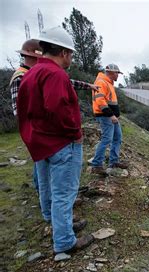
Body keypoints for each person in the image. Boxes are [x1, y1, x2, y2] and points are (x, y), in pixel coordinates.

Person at [16, 26, 94, 254]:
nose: (70, 58)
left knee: (48, 188)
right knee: (65, 192)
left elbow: (25, 111)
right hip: (61, 143)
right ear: (64, 53)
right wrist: (75, 134)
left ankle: (58, 222)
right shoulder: (56, 74)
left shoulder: (30, 74)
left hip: (40, 143)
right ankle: (65, 242)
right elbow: (58, 109)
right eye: (70, 54)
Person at [10, 39, 98, 192]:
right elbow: (22, 111)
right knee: (51, 182)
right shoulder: (21, 77)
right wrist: (75, 133)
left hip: (42, 134)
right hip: (44, 134)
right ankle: (48, 202)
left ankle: (47, 206)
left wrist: (87, 85)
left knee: (45, 175)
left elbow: (65, 82)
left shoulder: (36, 72)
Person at [89, 64, 128, 175]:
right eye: (117, 73)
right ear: (110, 72)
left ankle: (114, 162)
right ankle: (96, 165)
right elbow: (100, 101)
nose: (118, 75)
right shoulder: (101, 82)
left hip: (111, 117)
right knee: (107, 139)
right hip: (105, 116)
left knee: (117, 138)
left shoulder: (108, 83)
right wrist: (111, 115)